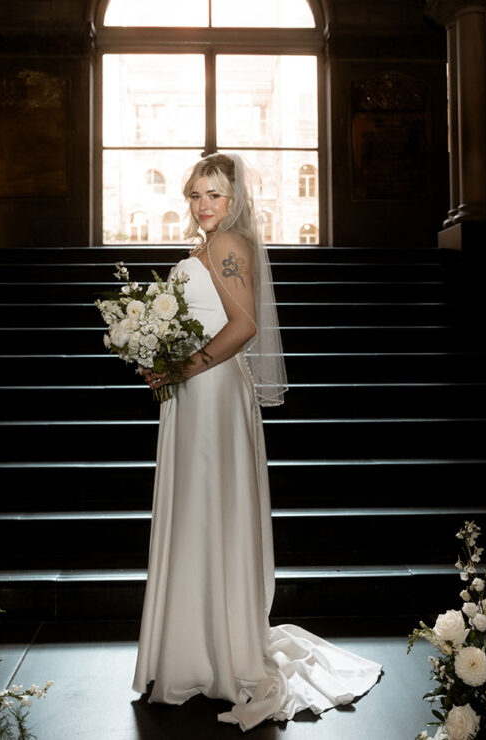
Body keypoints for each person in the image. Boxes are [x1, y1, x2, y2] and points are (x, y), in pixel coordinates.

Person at [132, 153, 382, 731]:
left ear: (235, 198)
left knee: (208, 511)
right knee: (200, 512)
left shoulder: (227, 245)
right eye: (196, 194)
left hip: (213, 394)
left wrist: (180, 367)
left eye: (215, 194)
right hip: (200, 393)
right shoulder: (217, 244)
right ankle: (199, 642)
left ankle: (212, 651)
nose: (203, 205)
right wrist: (159, 354)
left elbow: (243, 328)